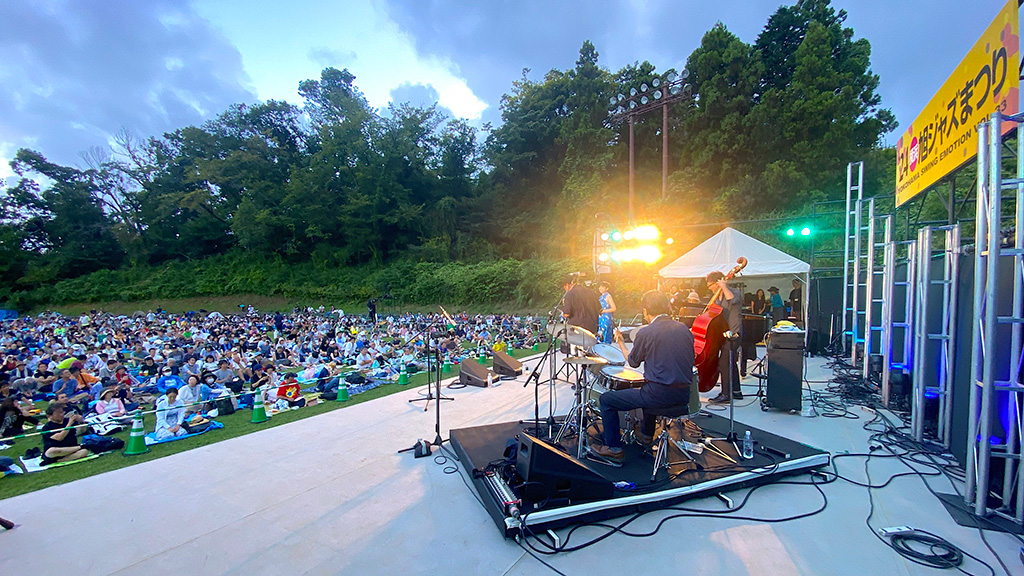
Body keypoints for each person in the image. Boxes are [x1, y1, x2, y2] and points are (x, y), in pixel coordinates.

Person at [589, 291, 694, 463]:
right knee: (649, 385)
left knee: (608, 400)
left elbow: (633, 362)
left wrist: (621, 342)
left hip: (659, 395)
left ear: (645, 311)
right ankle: (646, 435)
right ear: (667, 307)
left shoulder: (647, 332)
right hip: (683, 395)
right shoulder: (684, 329)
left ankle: (613, 448)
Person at [707, 271, 743, 403]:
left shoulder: (734, 292)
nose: (710, 288)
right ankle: (736, 391)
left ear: (718, 282)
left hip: (734, 333)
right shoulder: (717, 299)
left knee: (724, 362)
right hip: (724, 333)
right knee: (731, 361)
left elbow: (732, 300)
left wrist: (724, 286)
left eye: (711, 285)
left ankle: (726, 394)